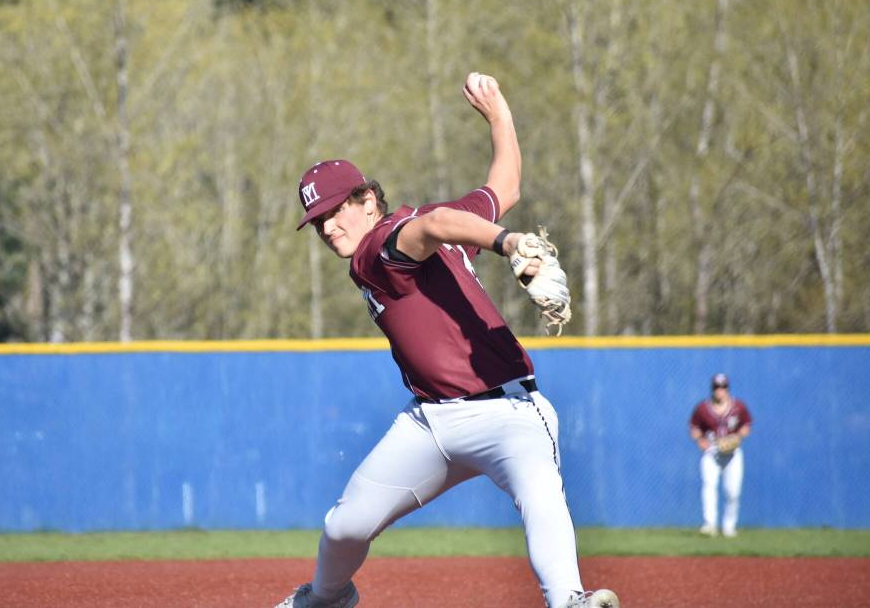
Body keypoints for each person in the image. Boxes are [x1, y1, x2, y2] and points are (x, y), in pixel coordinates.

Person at [277, 73, 619, 608]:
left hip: (509, 415)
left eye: (334, 211)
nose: (326, 228)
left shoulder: (378, 245)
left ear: (367, 200)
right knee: (345, 525)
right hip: (431, 423)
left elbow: (435, 222)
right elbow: (501, 189)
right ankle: (326, 597)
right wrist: (500, 119)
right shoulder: (431, 234)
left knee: (541, 496)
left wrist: (509, 242)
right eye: (317, 220)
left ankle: (568, 599)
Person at [689, 372, 753, 538]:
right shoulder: (703, 408)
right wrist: (700, 440)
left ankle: (729, 526)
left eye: (723, 386)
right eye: (717, 387)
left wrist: (738, 437)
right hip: (712, 452)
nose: (720, 390)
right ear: (712, 389)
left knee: (733, 492)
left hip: (732, 454)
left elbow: (746, 424)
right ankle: (710, 525)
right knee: (709, 486)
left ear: (727, 388)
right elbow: (695, 427)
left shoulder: (738, 407)